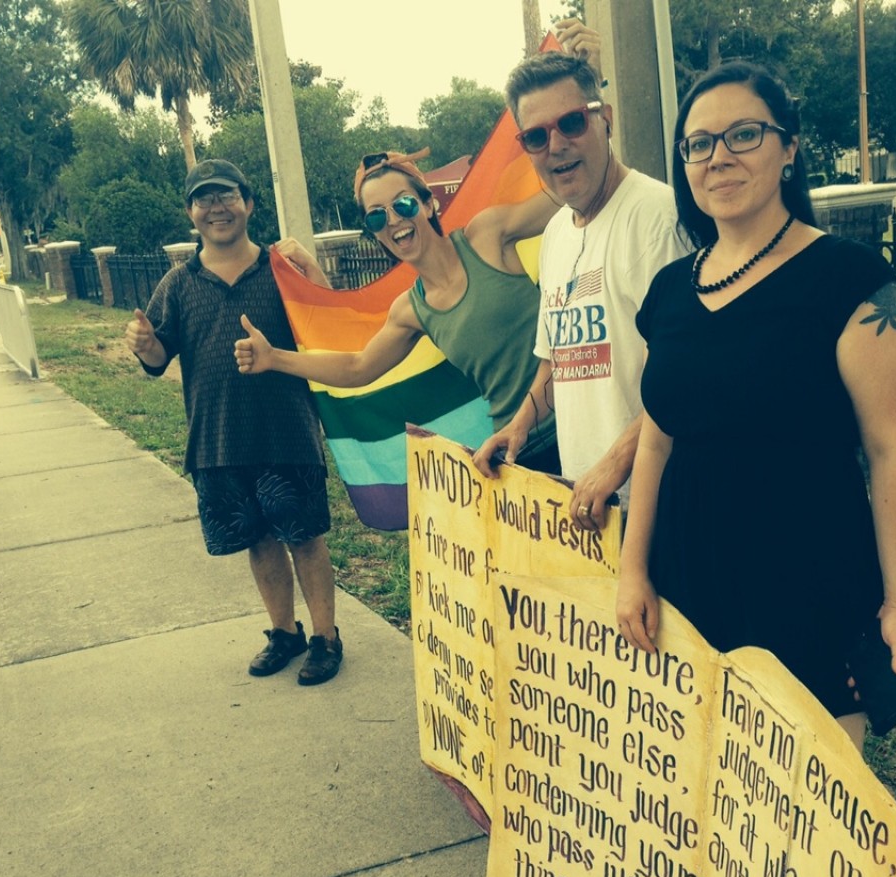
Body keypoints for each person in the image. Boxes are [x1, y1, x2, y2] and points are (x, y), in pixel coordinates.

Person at [615, 62, 896, 750]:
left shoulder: (856, 284)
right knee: (704, 791)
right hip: (687, 580)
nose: (717, 157)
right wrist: (632, 570)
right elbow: (658, 441)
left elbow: (893, 451)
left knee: (808, 814)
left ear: (789, 149)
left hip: (810, 582)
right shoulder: (670, 290)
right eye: (698, 144)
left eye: (743, 135)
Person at [234, 22, 605, 478]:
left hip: (584, 422)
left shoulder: (487, 235)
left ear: (429, 203)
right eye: (376, 216)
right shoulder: (411, 310)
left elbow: (569, 186)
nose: (393, 220)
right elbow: (357, 366)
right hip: (518, 455)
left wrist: (592, 88)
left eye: (403, 203)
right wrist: (274, 359)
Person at [125, 158, 344, 685]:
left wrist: (314, 275)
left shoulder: (281, 269)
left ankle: (325, 637)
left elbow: (329, 330)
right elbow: (158, 361)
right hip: (219, 441)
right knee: (258, 541)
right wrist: (148, 344)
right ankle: (284, 633)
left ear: (248, 202)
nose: (216, 207)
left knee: (305, 538)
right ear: (190, 213)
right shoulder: (178, 284)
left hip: (288, 432)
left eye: (226, 196)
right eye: (204, 199)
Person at [472, 50, 689, 529]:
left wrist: (614, 465)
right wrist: (519, 426)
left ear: (604, 120)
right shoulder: (555, 235)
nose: (556, 145)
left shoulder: (659, 220)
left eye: (571, 123)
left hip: (659, 507)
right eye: (535, 136)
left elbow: (686, 373)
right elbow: (557, 358)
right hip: (587, 508)